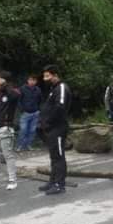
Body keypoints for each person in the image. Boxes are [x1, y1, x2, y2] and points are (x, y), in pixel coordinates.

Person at [39, 65, 72, 196]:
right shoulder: (53, 89)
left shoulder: (62, 88)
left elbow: (60, 107)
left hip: (58, 127)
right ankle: (52, 181)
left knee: (58, 156)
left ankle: (59, 184)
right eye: (44, 76)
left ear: (55, 75)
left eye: (48, 76)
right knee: (53, 156)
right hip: (51, 128)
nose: (45, 79)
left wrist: (49, 121)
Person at [16, 74, 42, 152]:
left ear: (36, 81)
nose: (32, 82)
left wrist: (39, 109)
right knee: (23, 130)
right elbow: (18, 100)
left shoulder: (38, 90)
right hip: (25, 113)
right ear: (28, 80)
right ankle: (19, 146)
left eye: (34, 80)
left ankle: (28, 145)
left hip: (35, 113)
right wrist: (22, 109)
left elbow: (40, 100)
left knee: (32, 130)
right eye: (30, 80)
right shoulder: (22, 89)